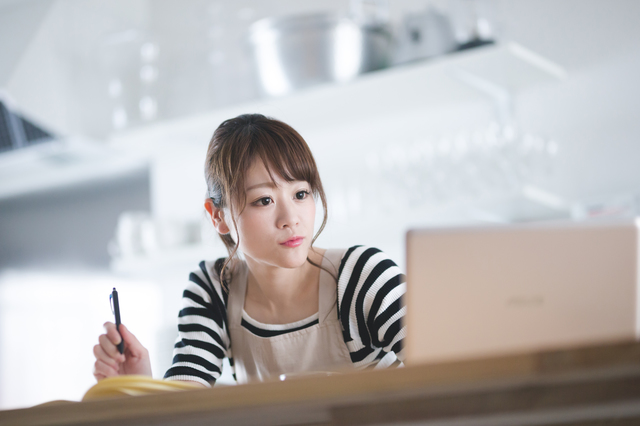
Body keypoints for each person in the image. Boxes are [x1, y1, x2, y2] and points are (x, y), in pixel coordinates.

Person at [93, 114, 406, 387]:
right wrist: (137, 387)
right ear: (218, 217)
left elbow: (436, 372)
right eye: (264, 200)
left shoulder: (363, 277)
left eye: (300, 193)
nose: (290, 219)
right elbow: (186, 397)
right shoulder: (215, 288)